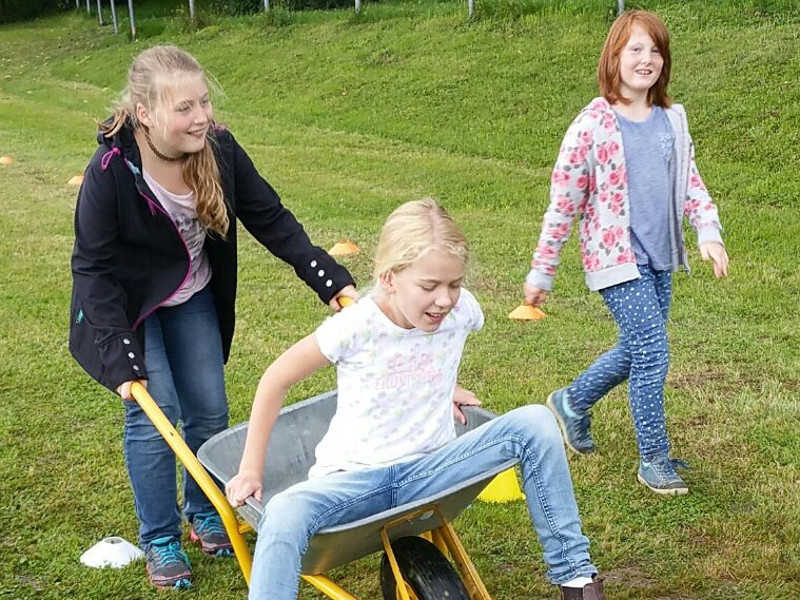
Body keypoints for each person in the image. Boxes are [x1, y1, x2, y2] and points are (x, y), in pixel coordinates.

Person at [68, 45, 358, 589]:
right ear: (145, 112)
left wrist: (331, 281)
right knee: (156, 414)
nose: (200, 116)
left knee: (208, 409)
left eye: (202, 102)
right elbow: (92, 269)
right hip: (128, 309)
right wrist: (121, 356)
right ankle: (159, 535)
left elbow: (271, 219)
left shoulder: (219, 150)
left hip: (194, 295)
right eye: (184, 108)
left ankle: (206, 513)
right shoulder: (111, 170)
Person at [226, 198, 606, 600]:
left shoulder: (461, 313)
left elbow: (434, 354)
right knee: (283, 513)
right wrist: (251, 469)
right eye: (429, 286)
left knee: (537, 422)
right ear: (390, 278)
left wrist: (441, 388)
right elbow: (275, 379)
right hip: (355, 482)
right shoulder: (356, 326)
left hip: (431, 471)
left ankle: (577, 580)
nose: (444, 299)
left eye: (454, 284)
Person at [523, 11, 729, 496]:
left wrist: (708, 231)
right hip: (615, 261)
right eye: (635, 49)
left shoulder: (671, 121)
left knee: (639, 347)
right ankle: (653, 458)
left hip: (661, 256)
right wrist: (542, 272)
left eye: (655, 50)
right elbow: (563, 204)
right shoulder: (591, 125)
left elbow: (690, 184)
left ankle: (572, 402)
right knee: (654, 353)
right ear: (613, 57)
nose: (646, 59)